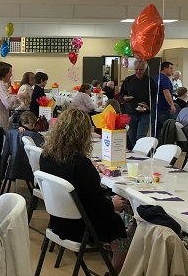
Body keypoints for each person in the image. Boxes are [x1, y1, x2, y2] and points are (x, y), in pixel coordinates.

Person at [39, 109, 132, 273]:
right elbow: (99, 204)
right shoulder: (81, 165)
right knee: (124, 218)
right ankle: (116, 270)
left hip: (58, 222)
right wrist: (112, 205)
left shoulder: (46, 156)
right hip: (83, 228)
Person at [0, 62, 28, 193]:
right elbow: (8, 102)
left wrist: (17, 99)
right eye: (9, 72)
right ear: (3, 74)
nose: (11, 75)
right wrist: (20, 96)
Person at [118, 60, 157, 149]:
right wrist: (124, 98)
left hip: (145, 114)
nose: (138, 72)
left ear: (144, 70)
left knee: (140, 137)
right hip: (131, 113)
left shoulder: (150, 81)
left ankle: (140, 155)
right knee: (131, 137)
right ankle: (132, 156)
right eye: (136, 69)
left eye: (141, 70)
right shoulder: (128, 80)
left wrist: (148, 106)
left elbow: (154, 97)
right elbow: (121, 94)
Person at [154, 61, 176, 136]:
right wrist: (172, 105)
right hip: (163, 107)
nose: (172, 71)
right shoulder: (164, 78)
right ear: (165, 68)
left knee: (157, 129)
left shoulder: (156, 78)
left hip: (156, 108)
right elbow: (166, 92)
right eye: (171, 68)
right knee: (168, 128)